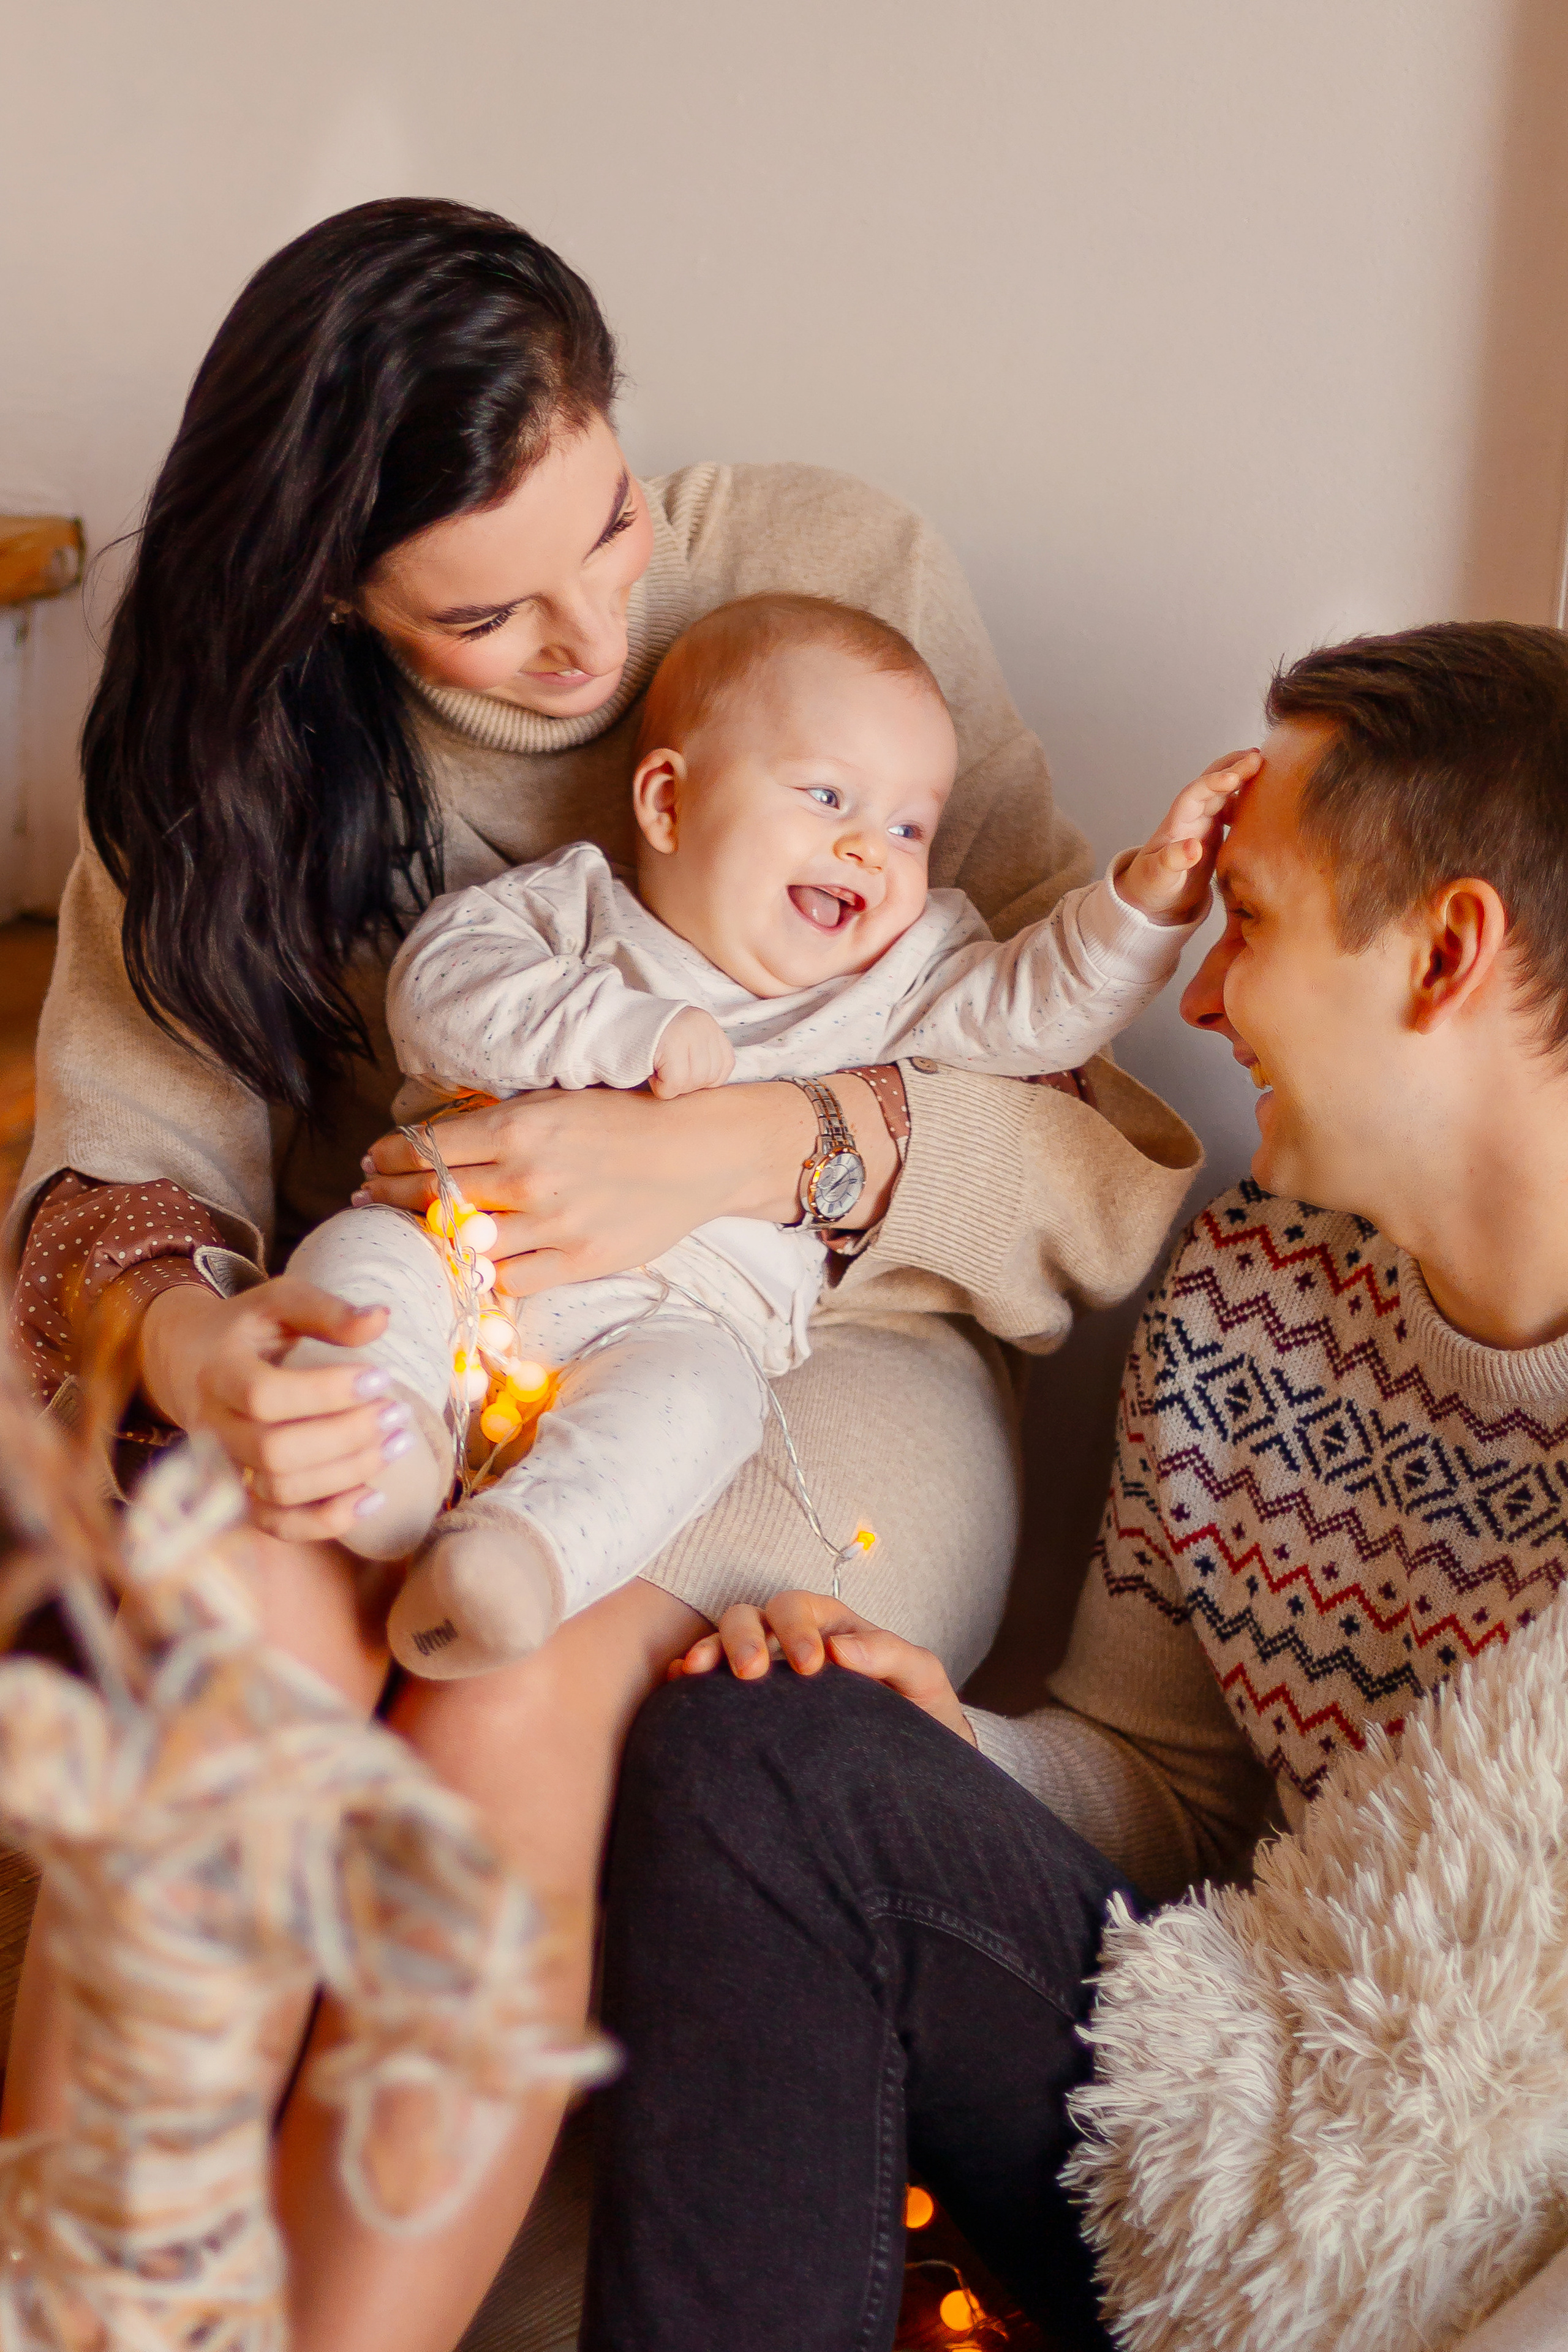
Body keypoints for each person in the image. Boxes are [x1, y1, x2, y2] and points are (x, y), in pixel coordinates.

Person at [2, 198, 1197, 2352]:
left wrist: (762, 1143)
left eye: (612, 521)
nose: (591, 633)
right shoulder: (226, 750)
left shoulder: (835, 580)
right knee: (246, 1607)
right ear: (330, 599)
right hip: (440, 1320)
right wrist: (198, 1333)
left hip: (805, 1360)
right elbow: (121, 1173)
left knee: (515, 1687)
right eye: (486, 616)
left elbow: (1096, 1160)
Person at [580, 620, 1568, 2352]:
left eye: (1244, 923)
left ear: (1446, 953)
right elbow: (1169, 1791)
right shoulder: (1244, 1302)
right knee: (766, 1745)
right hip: (1242, 2134)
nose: (1194, 1001)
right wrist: (957, 1745)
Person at [293, 590, 1249, 1679]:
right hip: (464, 1252)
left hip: (680, 1325)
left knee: (704, 1412)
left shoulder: (904, 975)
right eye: (828, 795)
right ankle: (388, 1451)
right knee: (360, 1260)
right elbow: (440, 996)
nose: (867, 848)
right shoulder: (577, 912)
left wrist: (1150, 898)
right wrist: (625, 1030)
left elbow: (1041, 1008)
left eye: (907, 828)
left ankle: (519, 1560)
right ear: (667, 801)